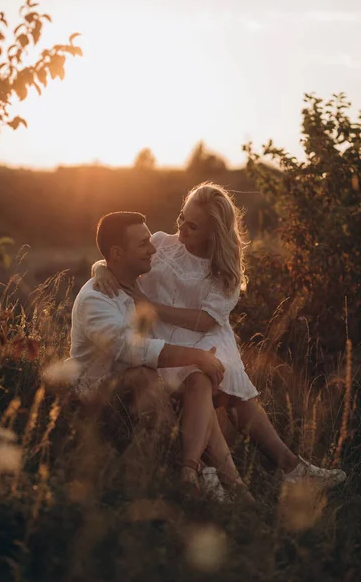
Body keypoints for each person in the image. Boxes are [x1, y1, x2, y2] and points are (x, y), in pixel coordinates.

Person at [92, 182, 346, 489]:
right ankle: (271, 469)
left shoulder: (226, 270)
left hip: (206, 335)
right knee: (216, 390)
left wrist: (151, 306)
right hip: (161, 333)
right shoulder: (163, 243)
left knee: (229, 390)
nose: (182, 229)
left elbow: (204, 320)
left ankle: (275, 469)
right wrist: (99, 268)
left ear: (213, 233)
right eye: (181, 218)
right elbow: (127, 259)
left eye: (193, 226)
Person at [68, 211, 251, 498]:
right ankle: (185, 476)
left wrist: (200, 358)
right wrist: (196, 355)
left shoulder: (136, 284)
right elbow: (132, 350)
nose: (153, 248)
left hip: (137, 385)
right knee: (148, 376)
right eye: (143, 244)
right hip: (98, 396)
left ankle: (228, 483)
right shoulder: (95, 298)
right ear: (117, 253)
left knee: (196, 383)